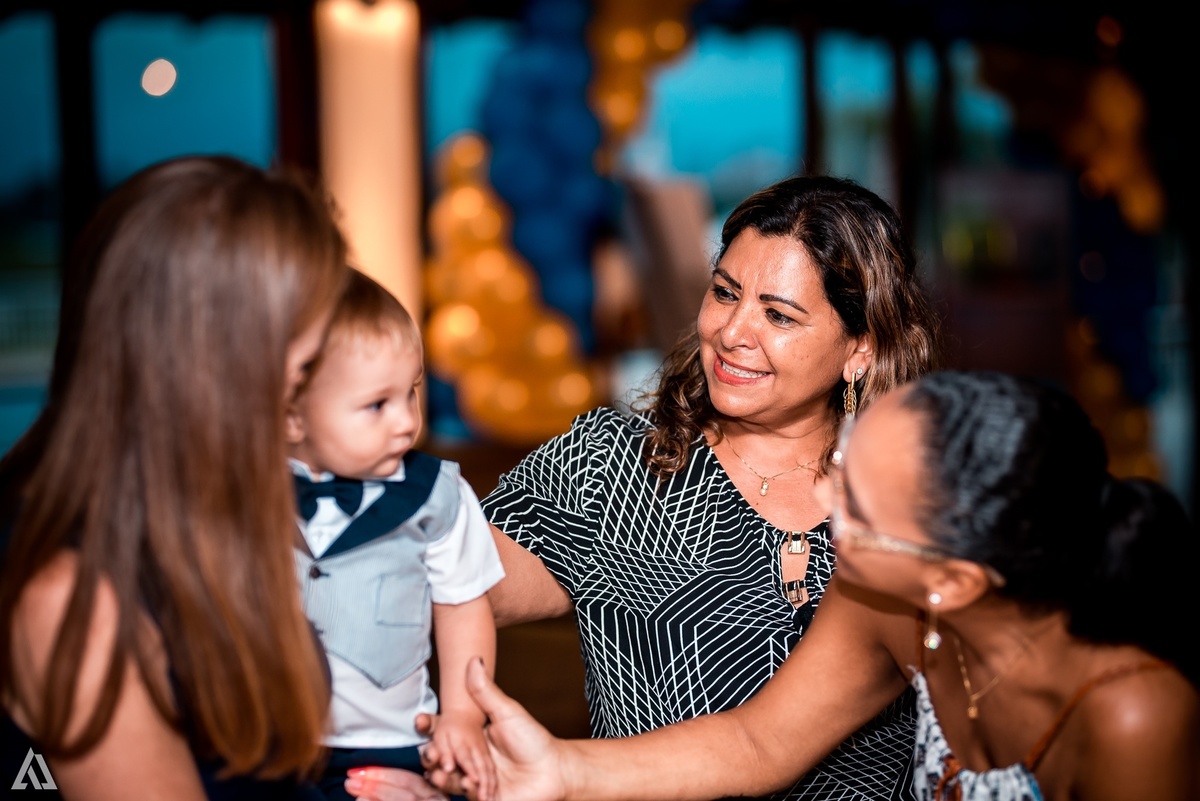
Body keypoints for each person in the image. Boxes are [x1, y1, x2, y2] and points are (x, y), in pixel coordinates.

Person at [377, 370, 1200, 801]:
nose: (821, 499)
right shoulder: (884, 597)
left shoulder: (1134, 712)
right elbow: (759, 741)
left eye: (856, 504)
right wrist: (560, 768)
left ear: (950, 579)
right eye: (843, 465)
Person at [478, 174, 942, 800]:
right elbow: (465, 580)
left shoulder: (909, 510)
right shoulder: (616, 466)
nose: (733, 331)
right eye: (725, 293)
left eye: (778, 314)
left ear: (859, 348)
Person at [0, 155, 349, 799]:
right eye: (300, 376)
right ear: (209, 374)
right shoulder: (75, 603)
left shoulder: (199, 512)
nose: (300, 415)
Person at [286, 268, 503, 801]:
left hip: (393, 740)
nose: (407, 421)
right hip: (268, 740)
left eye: (411, 392)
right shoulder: (243, 492)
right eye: (377, 405)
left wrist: (462, 716)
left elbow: (462, 608)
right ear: (293, 416)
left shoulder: (438, 496)